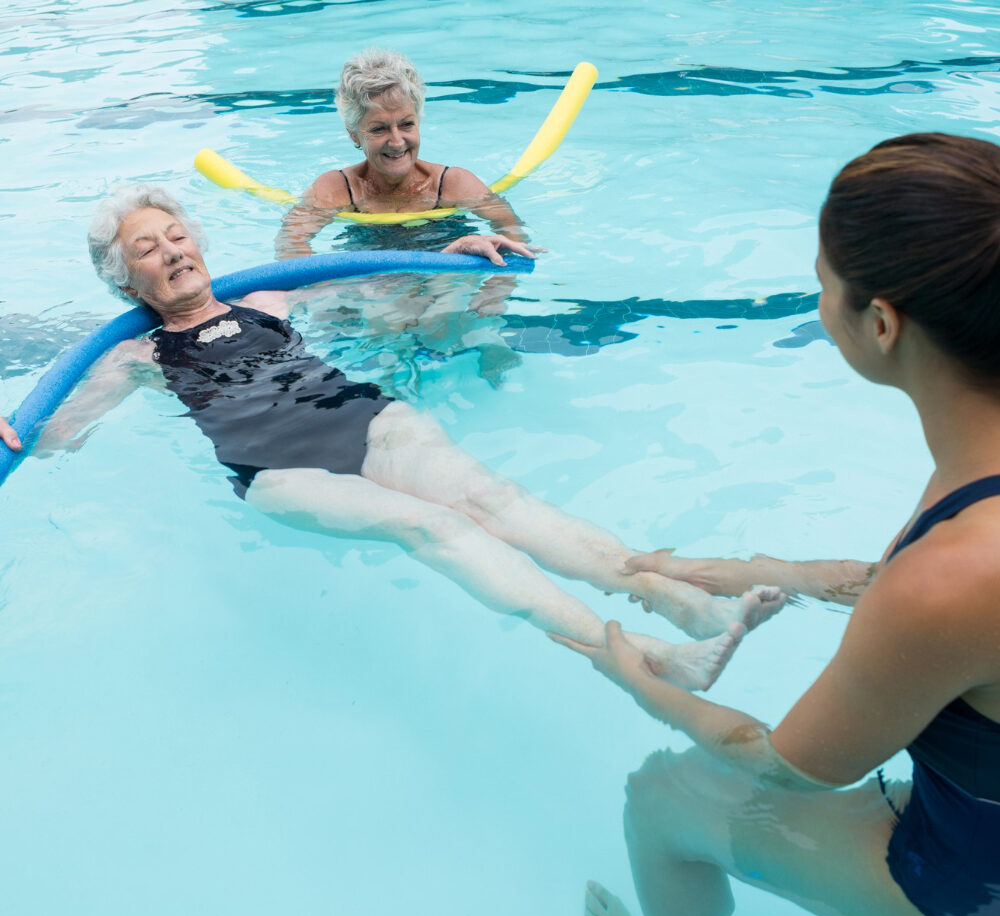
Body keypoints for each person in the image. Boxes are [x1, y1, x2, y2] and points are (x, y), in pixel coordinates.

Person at [553, 132, 1000, 916]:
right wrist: (765, 569)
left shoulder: (951, 581)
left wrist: (638, 678)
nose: (820, 300)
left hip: (977, 891)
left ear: (880, 323)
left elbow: (779, 761)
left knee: (664, 795)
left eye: (825, 282)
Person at [38, 184, 785, 689]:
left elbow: (379, 281)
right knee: (430, 527)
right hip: (278, 472)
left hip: (359, 418)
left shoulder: (268, 294)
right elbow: (57, 436)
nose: (171, 251)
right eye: (147, 249)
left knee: (497, 501)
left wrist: (452, 258)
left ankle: (673, 603)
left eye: (176, 235)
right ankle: (640, 659)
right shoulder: (132, 356)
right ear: (125, 282)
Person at [275, 48, 524, 259]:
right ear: (354, 134)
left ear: (419, 121)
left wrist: (497, 288)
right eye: (379, 129)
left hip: (445, 281)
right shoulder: (337, 188)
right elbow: (290, 243)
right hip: (370, 286)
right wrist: (322, 288)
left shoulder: (452, 184)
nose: (396, 141)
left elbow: (512, 229)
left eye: (406, 124)